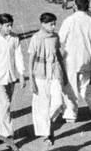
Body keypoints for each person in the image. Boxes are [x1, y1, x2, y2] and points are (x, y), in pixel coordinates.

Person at [27, 12, 66, 142]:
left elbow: (59, 56)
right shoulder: (36, 38)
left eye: (55, 24)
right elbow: (31, 59)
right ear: (43, 24)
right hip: (40, 75)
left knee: (58, 101)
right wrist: (31, 79)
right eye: (51, 24)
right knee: (42, 104)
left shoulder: (55, 36)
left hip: (55, 72)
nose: (53, 26)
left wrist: (64, 73)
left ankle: (48, 121)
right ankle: (47, 134)